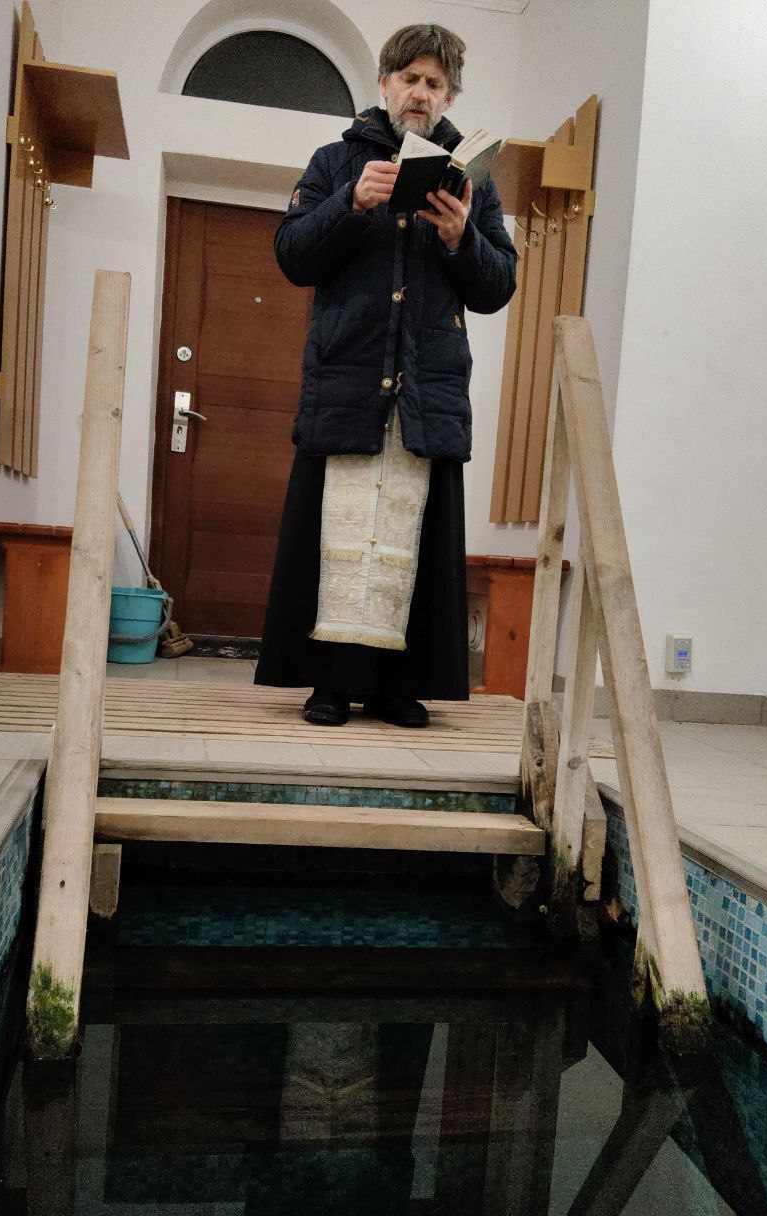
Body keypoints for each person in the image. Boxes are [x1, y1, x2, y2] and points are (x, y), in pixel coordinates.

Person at [254, 24, 517, 728]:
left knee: (410, 543)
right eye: (410, 79)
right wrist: (351, 203)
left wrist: (461, 237)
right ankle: (329, 685)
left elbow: (499, 285)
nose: (420, 93)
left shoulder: (472, 181)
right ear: (385, 84)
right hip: (348, 382)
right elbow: (291, 255)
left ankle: (400, 688)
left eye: (435, 83)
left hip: (427, 390)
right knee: (338, 540)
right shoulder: (334, 161)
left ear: (449, 96)